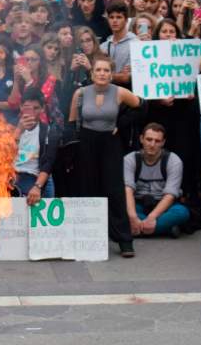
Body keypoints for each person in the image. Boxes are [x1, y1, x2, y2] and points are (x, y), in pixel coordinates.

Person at [68, 56, 142, 257]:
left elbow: (141, 106)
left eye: (106, 70)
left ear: (111, 74)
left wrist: (122, 124)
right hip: (86, 143)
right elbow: (71, 122)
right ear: (92, 74)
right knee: (88, 189)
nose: (102, 73)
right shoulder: (80, 93)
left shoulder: (119, 92)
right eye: (98, 70)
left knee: (114, 190)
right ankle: (88, 238)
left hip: (110, 143)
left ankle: (124, 240)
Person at [124, 123, 190, 238]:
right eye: (149, 139)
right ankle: (165, 229)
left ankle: (137, 229)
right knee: (122, 211)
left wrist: (151, 217)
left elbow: (170, 196)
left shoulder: (173, 160)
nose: (152, 144)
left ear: (163, 142)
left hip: (164, 206)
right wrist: (133, 216)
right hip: (139, 204)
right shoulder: (130, 159)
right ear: (141, 139)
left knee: (182, 212)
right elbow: (127, 190)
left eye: (157, 141)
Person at [12, 94, 58, 203]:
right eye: (27, 107)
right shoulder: (7, 126)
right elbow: (2, 155)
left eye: (36, 108)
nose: (31, 112)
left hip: (35, 176)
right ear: (21, 107)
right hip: (13, 175)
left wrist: (37, 186)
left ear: (42, 109)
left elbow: (48, 162)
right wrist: (18, 131)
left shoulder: (48, 131)